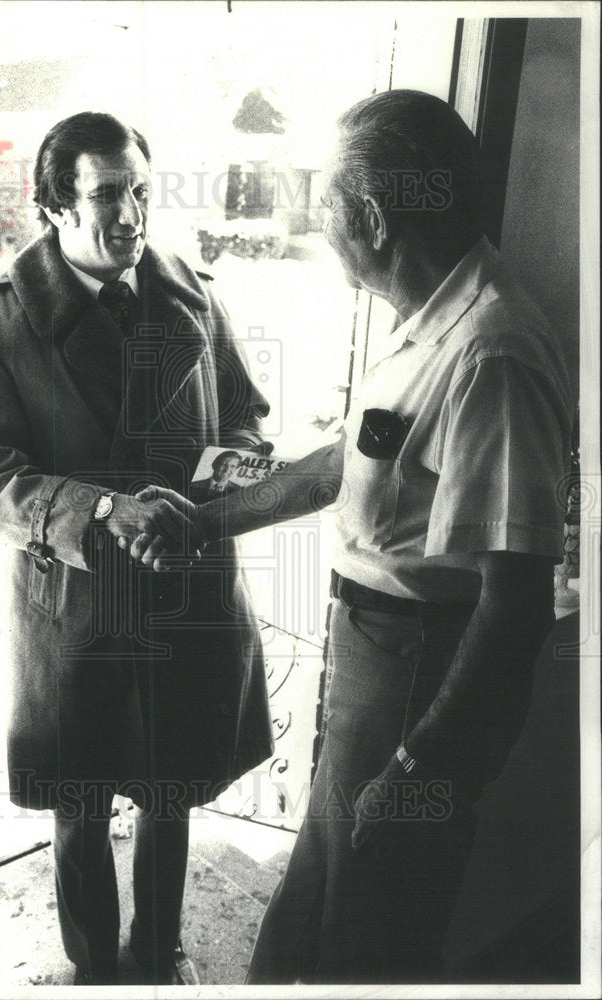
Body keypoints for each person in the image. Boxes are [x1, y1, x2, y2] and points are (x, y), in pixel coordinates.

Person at [131, 89, 573, 983]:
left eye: (324, 199)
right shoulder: (433, 319)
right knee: (322, 897)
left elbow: (515, 601)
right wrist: (204, 522)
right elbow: (352, 458)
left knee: (372, 935)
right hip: (376, 666)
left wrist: (418, 766)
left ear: (369, 217)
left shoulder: (490, 352)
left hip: (418, 681)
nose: (315, 217)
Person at [0, 111, 273, 986]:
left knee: (171, 802)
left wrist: (213, 484)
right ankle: (95, 972)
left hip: (185, 599)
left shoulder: (194, 296)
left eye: (138, 192)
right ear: (54, 207)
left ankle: (156, 959)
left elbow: (245, 419)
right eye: (103, 196)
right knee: (79, 809)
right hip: (75, 619)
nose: (129, 215)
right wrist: (105, 513)